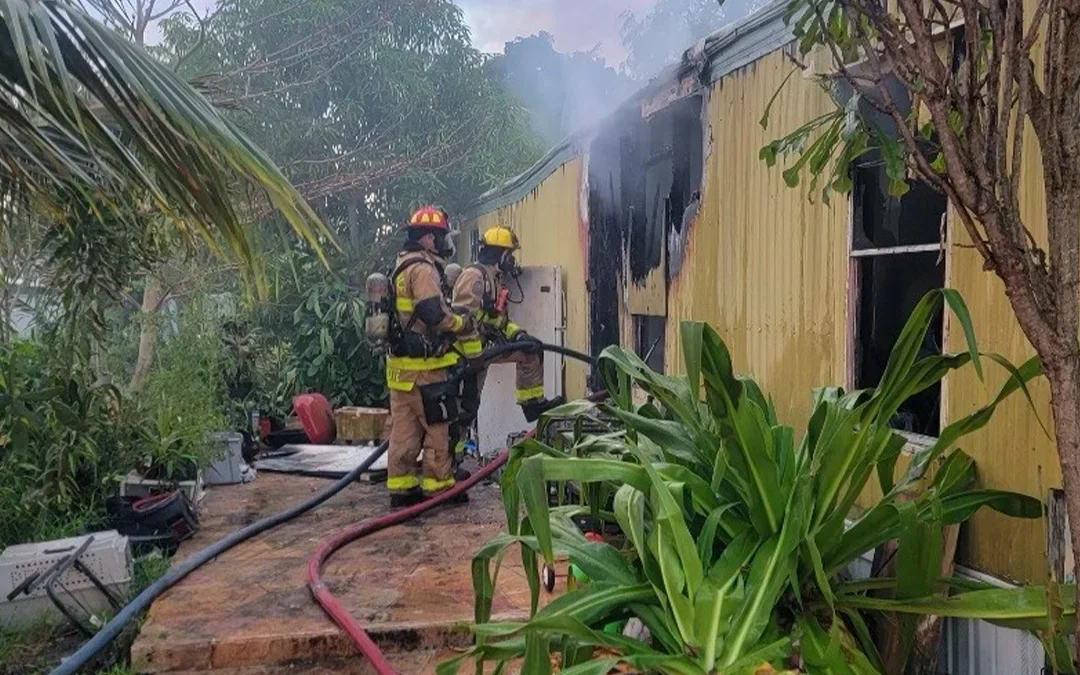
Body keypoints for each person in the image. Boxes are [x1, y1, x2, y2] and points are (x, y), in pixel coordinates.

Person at [450, 225, 564, 455]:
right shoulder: (474, 276)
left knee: (530, 350)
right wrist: (474, 354)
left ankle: (532, 405)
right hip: (464, 356)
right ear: (500, 253)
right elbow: (460, 318)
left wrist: (518, 335)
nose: (511, 260)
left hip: (483, 350)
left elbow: (497, 320)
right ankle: (451, 461)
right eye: (509, 254)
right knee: (465, 409)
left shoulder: (494, 277)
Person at [385, 206, 471, 508]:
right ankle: (440, 488)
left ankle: (402, 488)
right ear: (429, 239)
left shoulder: (399, 264)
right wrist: (460, 323)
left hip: (400, 371)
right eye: (442, 236)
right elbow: (432, 312)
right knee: (438, 428)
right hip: (427, 371)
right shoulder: (422, 268)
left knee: (404, 433)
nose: (446, 242)